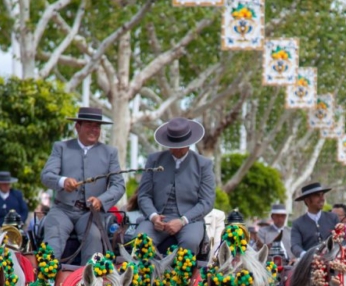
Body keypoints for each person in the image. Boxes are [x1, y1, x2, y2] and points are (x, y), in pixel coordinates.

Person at [40, 106, 124, 264]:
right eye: (88, 125)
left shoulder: (110, 152)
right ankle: (46, 283)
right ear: (77, 126)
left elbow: (118, 186)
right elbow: (46, 176)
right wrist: (62, 181)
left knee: (94, 239)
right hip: (62, 210)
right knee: (52, 242)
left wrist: (101, 200)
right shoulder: (61, 147)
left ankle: (90, 285)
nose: (94, 130)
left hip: (90, 213)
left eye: (97, 126)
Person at [134, 117, 215, 255]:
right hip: (157, 220)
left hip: (189, 220)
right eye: (172, 144)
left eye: (180, 144)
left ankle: (183, 276)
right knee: (141, 241)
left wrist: (182, 221)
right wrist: (153, 216)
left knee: (190, 242)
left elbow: (206, 201)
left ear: (189, 143)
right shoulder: (154, 160)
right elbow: (144, 195)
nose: (175, 148)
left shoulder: (203, 164)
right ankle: (148, 275)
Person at [290, 182, 339, 258]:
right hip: (309, 264)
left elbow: (342, 240)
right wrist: (306, 255)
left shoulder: (333, 218)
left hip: (332, 261)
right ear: (307, 200)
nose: (322, 198)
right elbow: (295, 246)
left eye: (322, 195)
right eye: (317, 195)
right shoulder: (297, 224)